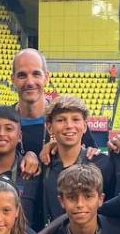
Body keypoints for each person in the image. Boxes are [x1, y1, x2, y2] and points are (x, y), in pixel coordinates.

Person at [38, 96, 114, 224]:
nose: (69, 126)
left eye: (75, 119)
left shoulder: (102, 163)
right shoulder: (44, 164)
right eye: (61, 120)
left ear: (84, 126)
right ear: (50, 127)